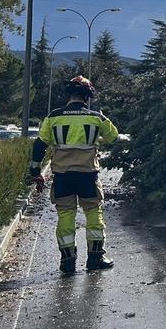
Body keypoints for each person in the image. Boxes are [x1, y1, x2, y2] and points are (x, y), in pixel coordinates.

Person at [30, 75, 120, 274]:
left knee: (65, 215)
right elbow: (113, 136)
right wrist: (99, 135)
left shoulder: (53, 117)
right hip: (88, 175)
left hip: (62, 176)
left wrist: (35, 171)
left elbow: (39, 145)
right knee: (93, 213)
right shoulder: (96, 117)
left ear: (69, 94)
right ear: (87, 96)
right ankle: (96, 258)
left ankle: (67, 261)